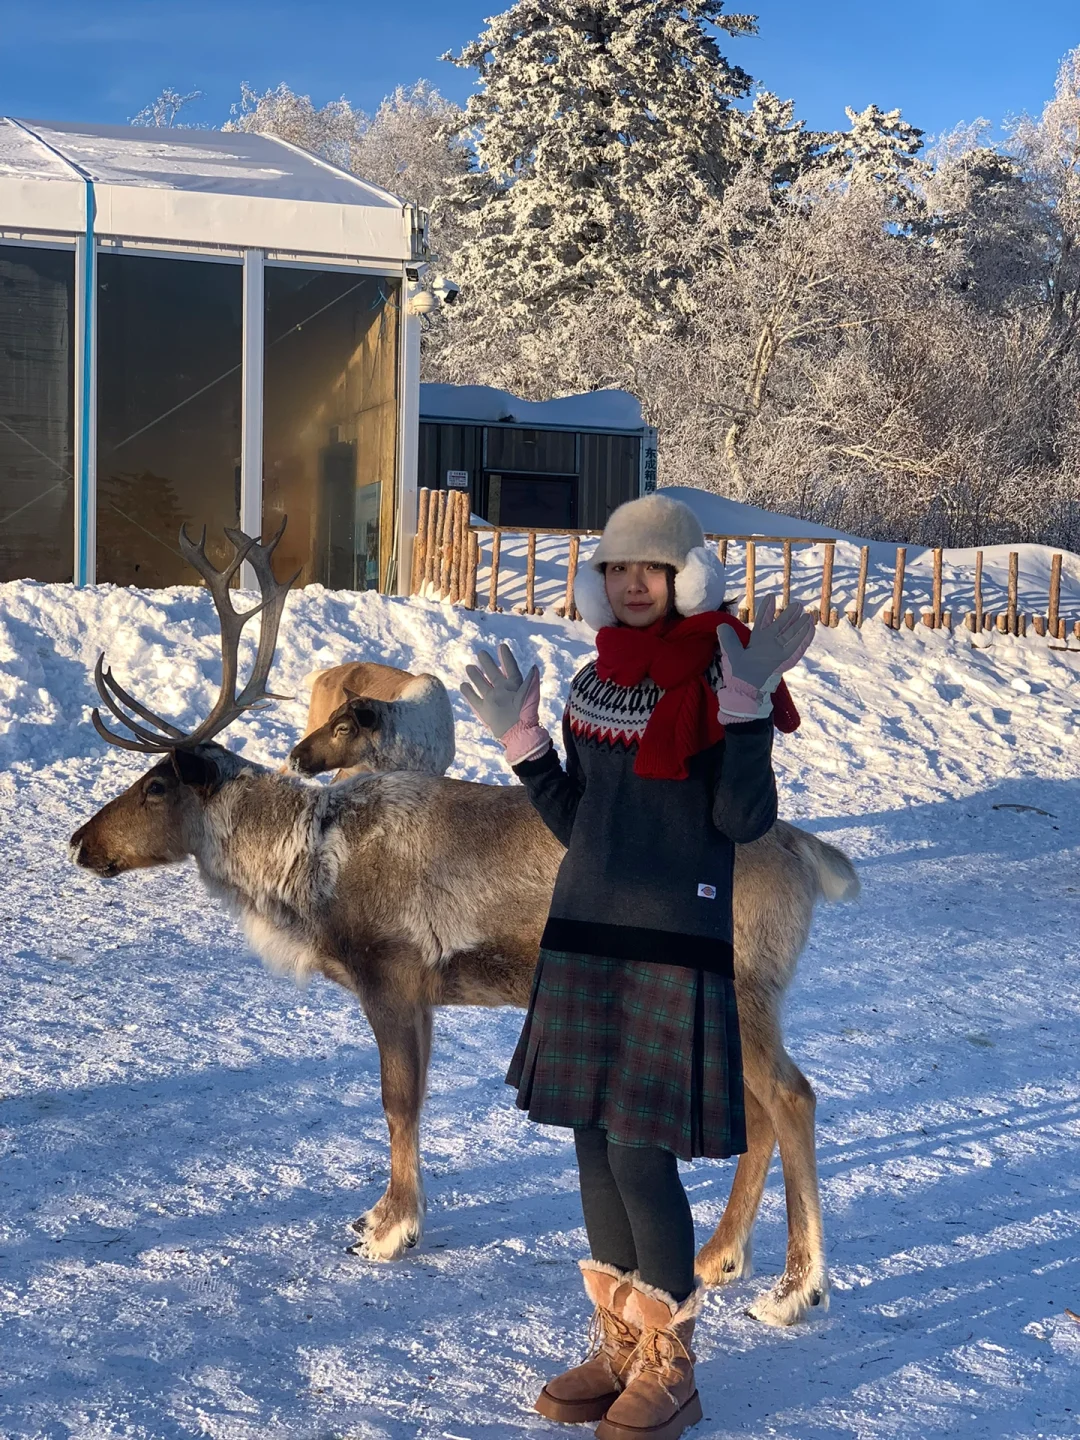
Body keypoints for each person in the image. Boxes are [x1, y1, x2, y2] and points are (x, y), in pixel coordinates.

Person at [460, 494, 812, 1440]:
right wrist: (525, 745)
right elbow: (584, 826)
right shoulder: (592, 683)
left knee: (634, 1148)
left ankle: (673, 1361)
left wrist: (742, 712)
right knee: (587, 1139)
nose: (631, 584)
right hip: (584, 933)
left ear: (684, 578)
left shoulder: (719, 672)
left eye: (649, 570)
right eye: (617, 570)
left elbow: (743, 823)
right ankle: (618, 1342)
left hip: (670, 939)